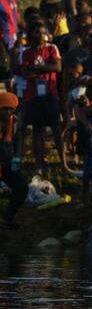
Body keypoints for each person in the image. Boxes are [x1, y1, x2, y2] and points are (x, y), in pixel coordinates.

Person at [18, 23, 66, 172]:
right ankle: (39, 164)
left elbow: (57, 67)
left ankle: (64, 164)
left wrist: (36, 68)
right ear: (31, 34)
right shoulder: (26, 52)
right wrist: (45, 67)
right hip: (32, 95)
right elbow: (25, 73)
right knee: (38, 129)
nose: (41, 35)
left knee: (56, 129)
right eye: (37, 32)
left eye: (43, 32)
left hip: (50, 94)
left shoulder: (52, 49)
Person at [0, 92, 28, 228]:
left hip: (6, 162)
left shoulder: (15, 122)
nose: (8, 112)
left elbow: (17, 141)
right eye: (5, 109)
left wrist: (17, 157)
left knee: (22, 188)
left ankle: (8, 217)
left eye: (11, 109)